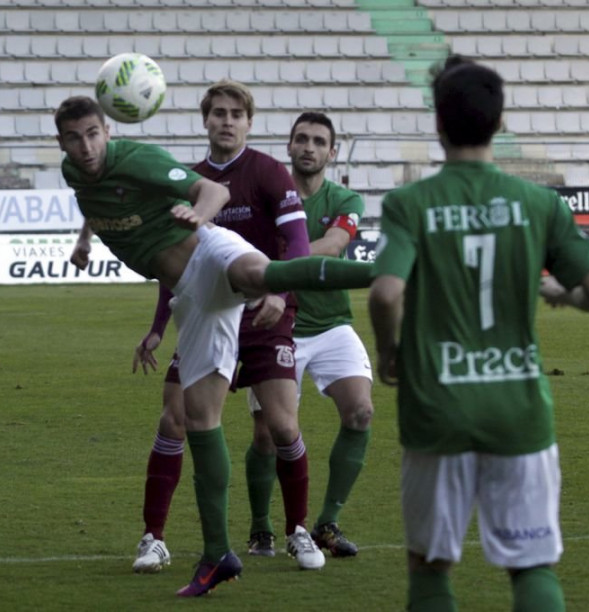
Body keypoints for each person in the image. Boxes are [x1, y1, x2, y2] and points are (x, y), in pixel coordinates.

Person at [55, 96, 370, 596]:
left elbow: (213, 192)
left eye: (94, 134)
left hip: (209, 251)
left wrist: (197, 216)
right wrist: (85, 240)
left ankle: (391, 275)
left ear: (108, 132)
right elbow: (99, 201)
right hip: (192, 298)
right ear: (63, 144)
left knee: (261, 273)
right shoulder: (76, 172)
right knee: (196, 420)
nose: (86, 146)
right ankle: (217, 554)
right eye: (75, 138)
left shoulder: (138, 157)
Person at [367, 56, 589, 612]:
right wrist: (564, 294)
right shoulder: (540, 203)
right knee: (532, 567)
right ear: (500, 123)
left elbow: (385, 293)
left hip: (437, 405)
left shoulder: (410, 203)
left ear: (438, 122)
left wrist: (390, 352)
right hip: (517, 410)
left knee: (431, 567)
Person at [128, 79, 326, 574]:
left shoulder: (268, 172)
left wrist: (280, 296)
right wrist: (157, 327)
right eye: (218, 112)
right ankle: (154, 538)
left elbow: (297, 243)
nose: (227, 120)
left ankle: (298, 529)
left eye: (236, 113)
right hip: (204, 315)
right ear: (206, 120)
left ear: (249, 122)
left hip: (264, 316)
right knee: (173, 419)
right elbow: (174, 263)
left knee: (282, 426)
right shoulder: (187, 179)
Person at [278, 111, 374, 557]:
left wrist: (274, 261)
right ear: (290, 146)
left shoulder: (346, 199)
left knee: (360, 412)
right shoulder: (269, 193)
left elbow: (334, 247)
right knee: (272, 433)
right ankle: (263, 528)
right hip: (280, 325)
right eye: (302, 139)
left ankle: (327, 523)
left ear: (332, 152)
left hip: (333, 324)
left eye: (319, 141)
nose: (309, 147)